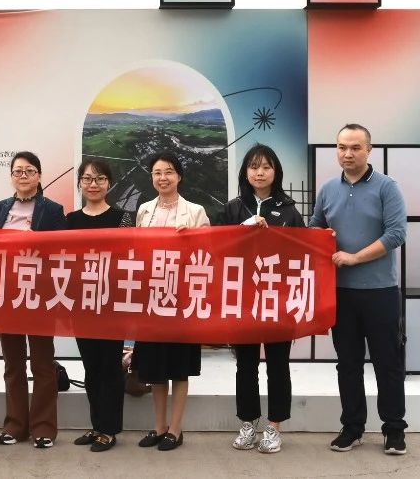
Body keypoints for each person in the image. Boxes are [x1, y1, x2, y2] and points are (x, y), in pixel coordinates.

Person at [309, 124, 408, 456]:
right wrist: (318, 237)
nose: (347, 154)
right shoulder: (327, 189)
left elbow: (396, 234)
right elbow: (316, 227)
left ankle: (394, 430)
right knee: (348, 364)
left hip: (380, 291)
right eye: (341, 147)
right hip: (340, 293)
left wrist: (354, 257)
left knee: (387, 363)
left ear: (369, 150)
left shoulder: (387, 187)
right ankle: (352, 428)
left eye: (354, 147)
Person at [220, 144, 305, 454]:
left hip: (277, 299)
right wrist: (245, 228)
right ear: (245, 172)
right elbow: (217, 246)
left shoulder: (289, 210)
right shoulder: (233, 208)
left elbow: (302, 252)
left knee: (278, 365)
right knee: (245, 365)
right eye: (254, 166)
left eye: (266, 167)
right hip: (243, 299)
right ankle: (248, 422)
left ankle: (274, 426)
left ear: (275, 172)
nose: (259, 172)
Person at [131, 151, 209, 452]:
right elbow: (137, 250)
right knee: (155, 367)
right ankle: (159, 426)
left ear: (179, 176)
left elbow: (209, 254)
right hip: (152, 298)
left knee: (179, 366)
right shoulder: (144, 211)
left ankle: (175, 429)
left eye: (168, 172)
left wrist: (192, 239)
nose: (162, 178)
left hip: (182, 299)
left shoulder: (196, 212)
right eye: (157, 173)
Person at [0, 151, 67, 449]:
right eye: (18, 171)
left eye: (29, 171)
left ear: (39, 176)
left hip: (40, 294)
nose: (23, 176)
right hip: (8, 293)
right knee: (13, 363)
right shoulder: (1, 208)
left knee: (42, 363)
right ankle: (15, 425)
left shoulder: (53, 209)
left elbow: (62, 251)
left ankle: (43, 427)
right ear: (11, 176)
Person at [65, 157, 133, 453]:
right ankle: (96, 425)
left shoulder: (123, 218)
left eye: (100, 179)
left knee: (110, 367)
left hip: (111, 303)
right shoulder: (70, 220)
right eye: (88, 179)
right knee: (90, 367)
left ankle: (109, 429)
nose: (93, 184)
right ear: (80, 183)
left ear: (109, 184)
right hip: (81, 303)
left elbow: (131, 257)